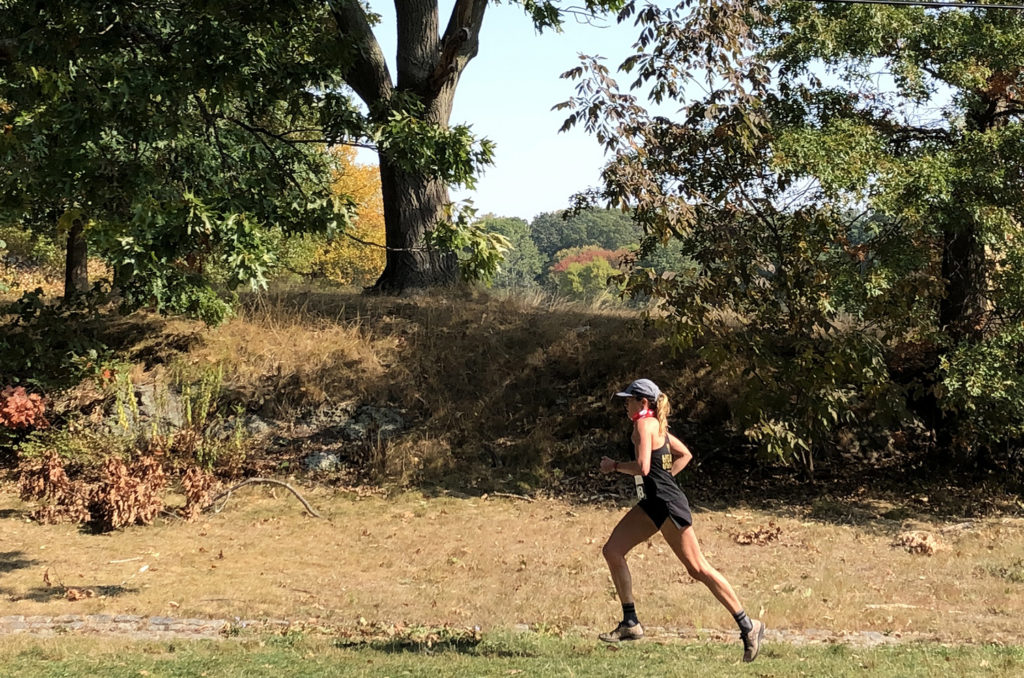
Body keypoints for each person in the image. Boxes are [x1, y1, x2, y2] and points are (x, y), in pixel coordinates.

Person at [598, 378, 765, 662]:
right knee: (613, 550)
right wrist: (663, 481)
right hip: (654, 503)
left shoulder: (643, 424)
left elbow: (643, 467)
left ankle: (749, 625)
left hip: (667, 506)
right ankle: (630, 623)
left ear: (643, 403)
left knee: (698, 568)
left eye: (629, 399)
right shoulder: (657, 425)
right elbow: (684, 454)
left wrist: (614, 466)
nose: (625, 403)